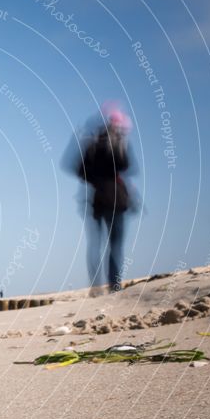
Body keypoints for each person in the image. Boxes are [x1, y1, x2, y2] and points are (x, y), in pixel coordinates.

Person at [74, 104, 135, 293]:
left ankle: (96, 286)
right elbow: (125, 166)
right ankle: (114, 285)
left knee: (95, 244)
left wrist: (93, 180)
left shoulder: (91, 144)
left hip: (96, 200)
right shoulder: (117, 144)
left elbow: (79, 170)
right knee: (115, 245)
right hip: (115, 199)